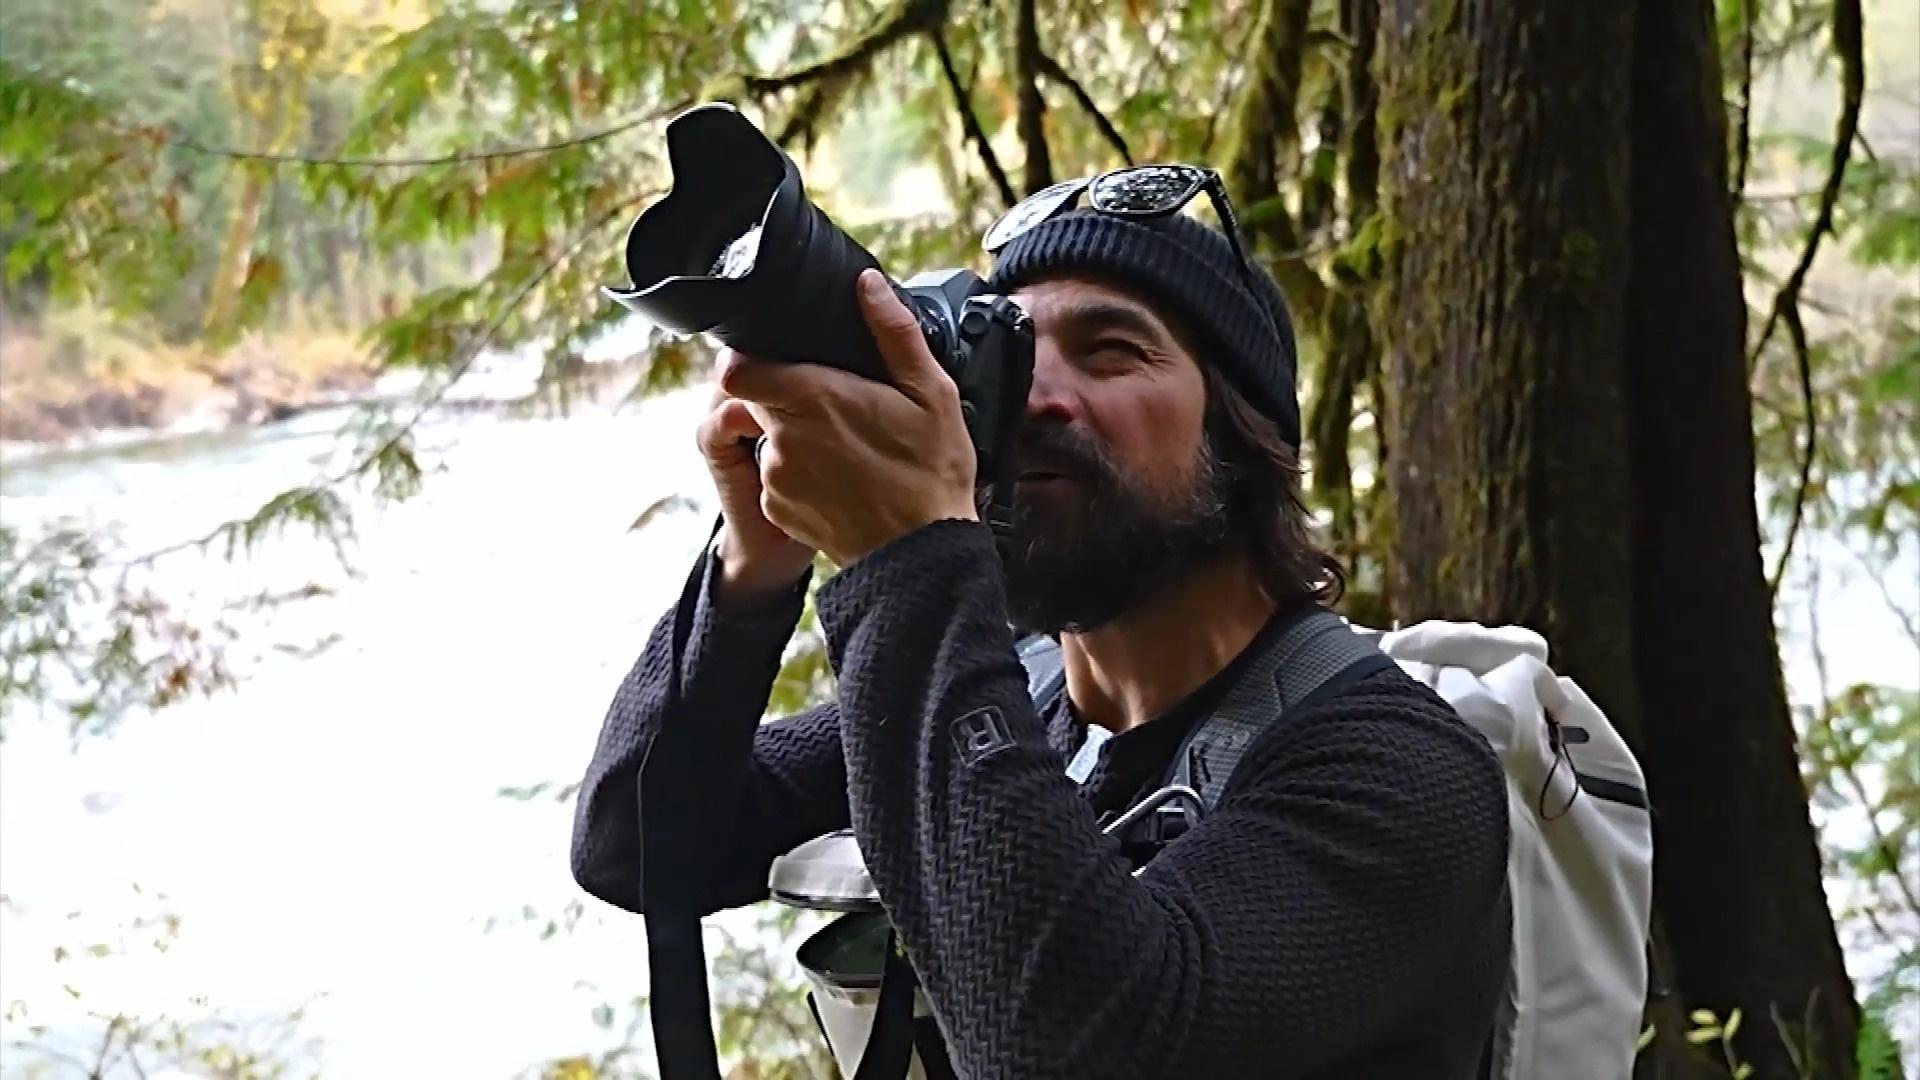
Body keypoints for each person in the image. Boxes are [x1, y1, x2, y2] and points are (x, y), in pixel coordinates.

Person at [571, 192, 1512, 1078]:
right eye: (1007, 360)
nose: (1034, 401)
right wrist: (754, 561)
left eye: (1111, 351)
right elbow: (638, 840)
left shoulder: (1398, 769)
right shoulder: (1018, 693)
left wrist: (907, 557)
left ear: (1242, 434)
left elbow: (1073, 1043)